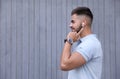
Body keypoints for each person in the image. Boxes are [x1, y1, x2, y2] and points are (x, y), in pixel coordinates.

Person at [60, 7, 103, 79]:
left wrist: (69, 41)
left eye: (73, 22)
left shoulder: (90, 44)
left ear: (83, 23)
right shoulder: (83, 43)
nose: (70, 25)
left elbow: (64, 65)